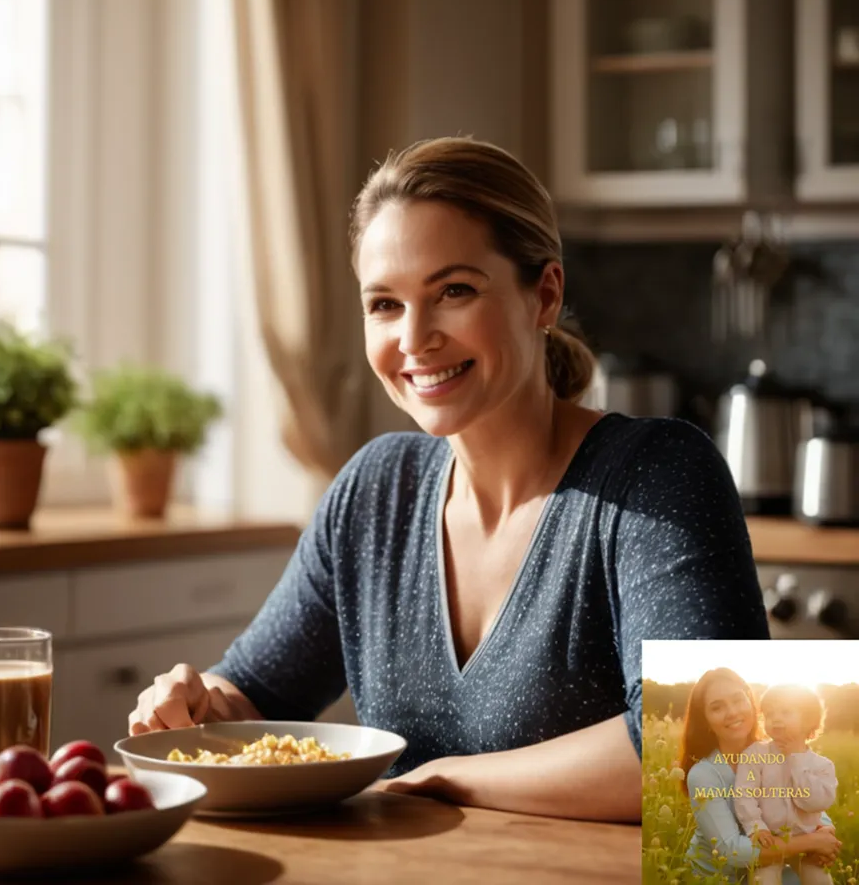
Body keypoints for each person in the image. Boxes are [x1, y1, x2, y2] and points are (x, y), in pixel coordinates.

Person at [128, 136, 771, 821]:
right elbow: (256, 693)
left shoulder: (657, 474)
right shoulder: (375, 491)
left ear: (544, 295)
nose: (413, 338)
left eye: (453, 291)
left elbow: (718, 753)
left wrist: (453, 780)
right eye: (384, 304)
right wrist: (197, 704)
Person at [680, 668, 841, 881]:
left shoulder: (778, 750)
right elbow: (731, 851)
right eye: (717, 707)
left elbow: (800, 799)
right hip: (720, 877)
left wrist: (824, 829)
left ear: (751, 703)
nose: (732, 712)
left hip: (773, 861)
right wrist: (812, 842)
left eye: (738, 700)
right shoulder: (703, 775)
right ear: (706, 721)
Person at [733, 684, 837, 885]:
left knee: (821, 880)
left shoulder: (822, 766)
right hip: (771, 840)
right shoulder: (755, 755)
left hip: (808, 843)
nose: (776, 719)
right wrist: (756, 827)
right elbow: (744, 794)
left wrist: (795, 760)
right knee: (764, 881)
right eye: (770, 714)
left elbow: (815, 803)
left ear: (808, 721)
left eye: (786, 712)